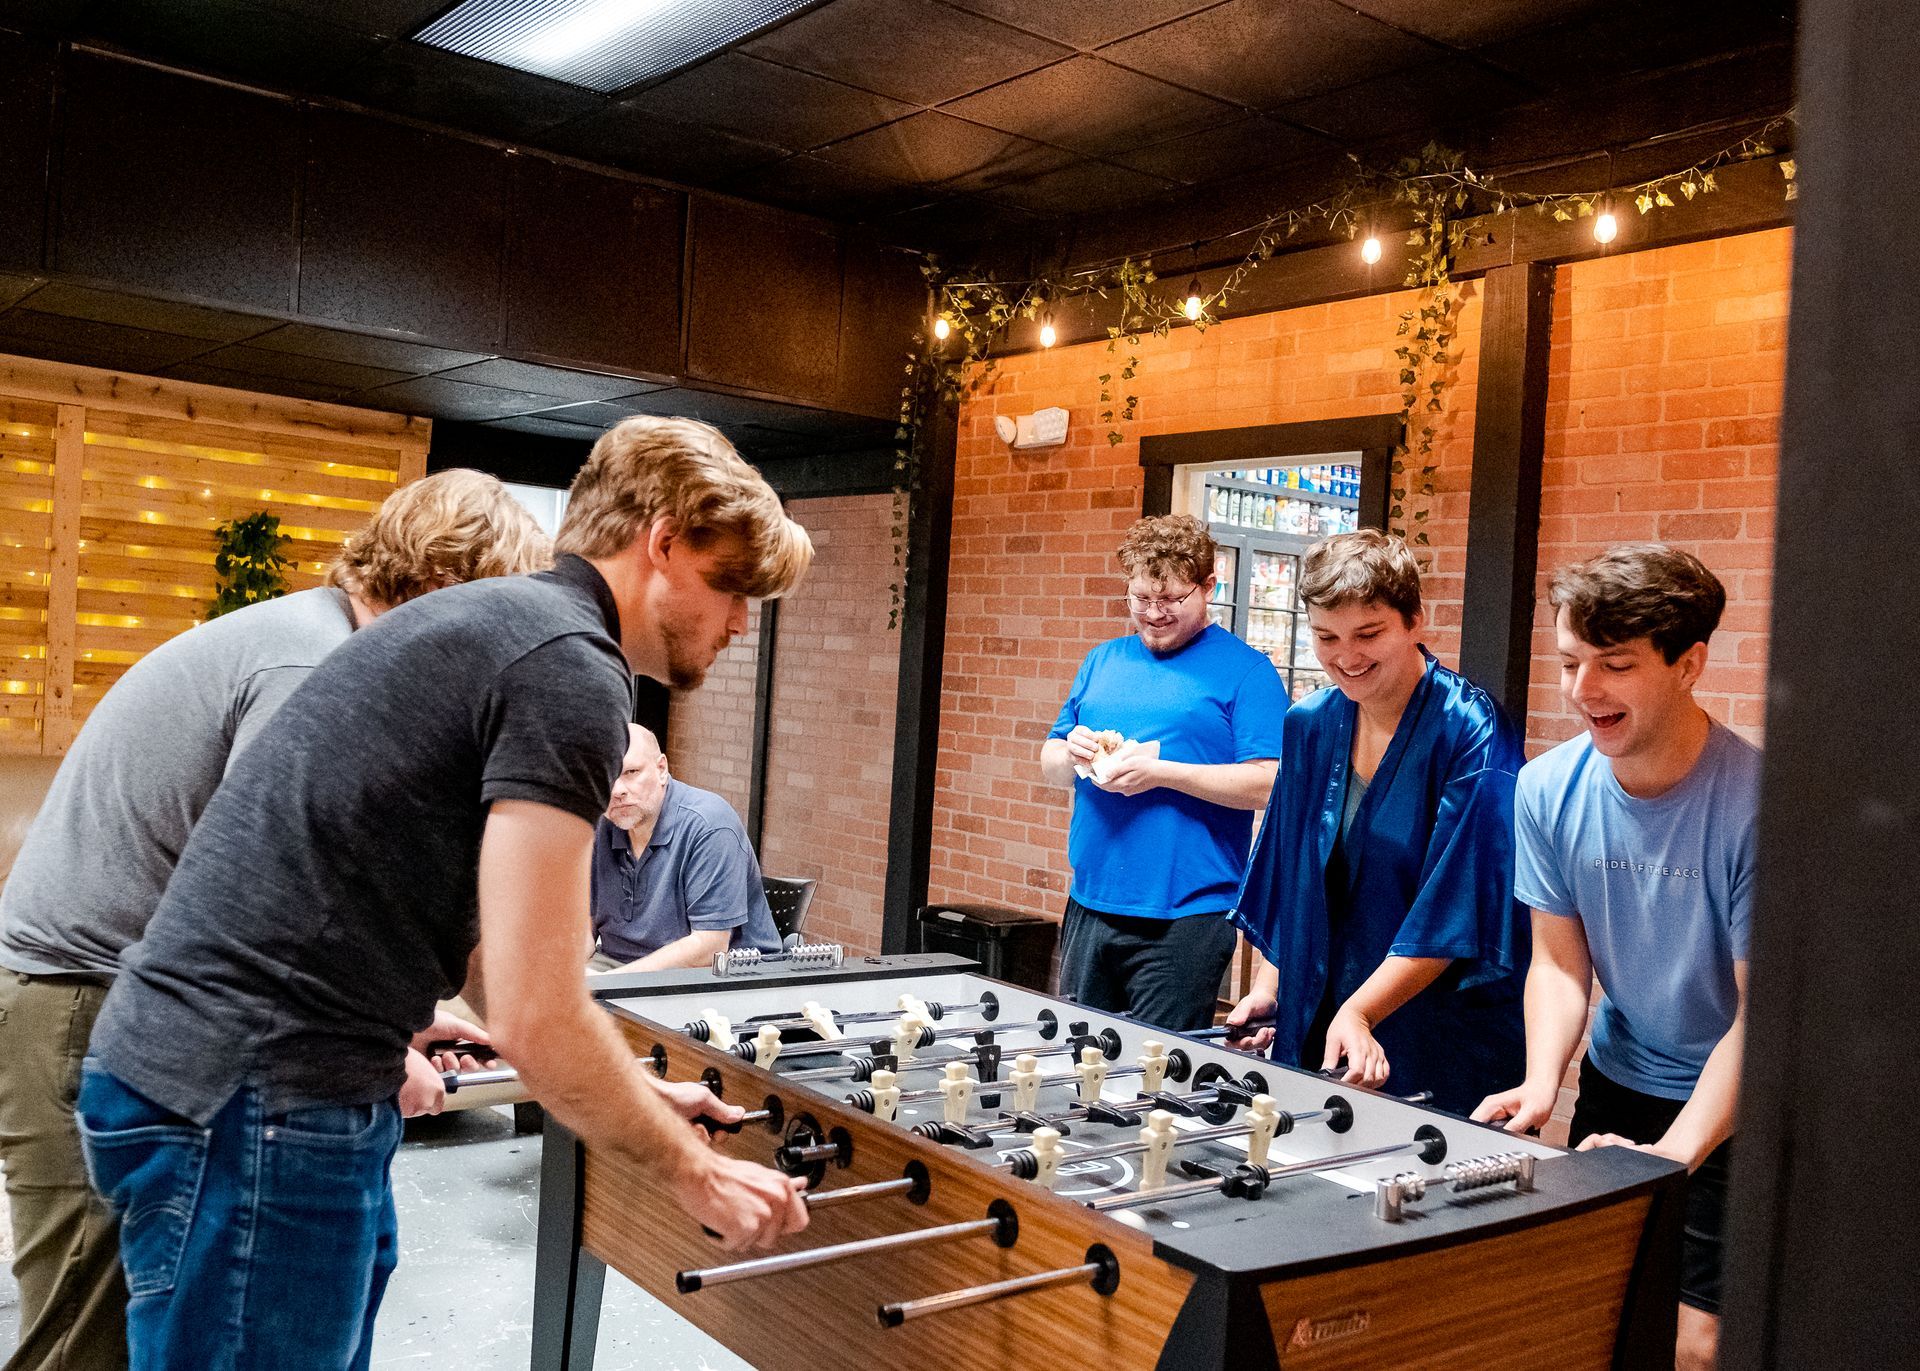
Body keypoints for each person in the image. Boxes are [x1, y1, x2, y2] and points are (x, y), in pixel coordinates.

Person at [75, 416, 816, 1370]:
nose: (741, 622)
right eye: (731, 586)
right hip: (256, 1092)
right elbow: (538, 1009)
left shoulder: (509, 625)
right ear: (662, 542)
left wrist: (632, 1091)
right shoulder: (571, 667)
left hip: (245, 1079)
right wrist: (694, 1173)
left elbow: (490, 958)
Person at [0, 468, 548, 1371]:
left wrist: (400, 1022)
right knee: (87, 1333)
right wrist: (384, 1054)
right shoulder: (316, 667)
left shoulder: (321, 641)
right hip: (84, 1000)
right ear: (442, 584)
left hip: (131, 996)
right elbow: (271, 900)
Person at [1472, 543, 1753, 1371]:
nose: (1582, 689)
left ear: (1689, 664)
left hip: (1732, 1098)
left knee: (1695, 1343)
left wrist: (1674, 1154)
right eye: (1570, 662)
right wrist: (1540, 1081)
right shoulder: (1545, 789)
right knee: (1594, 1311)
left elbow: (1762, 1018)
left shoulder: (1757, 807)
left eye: (1615, 665)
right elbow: (1560, 966)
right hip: (1619, 1078)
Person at [1224, 530, 1527, 1115]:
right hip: (1324, 1015)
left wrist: (1361, 1010)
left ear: (1415, 620)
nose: (1346, 656)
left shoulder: (1472, 728)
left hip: (1437, 1024)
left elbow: (1456, 907)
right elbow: (1293, 882)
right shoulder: (1309, 724)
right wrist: (1269, 990)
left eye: (1368, 634)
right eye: (1326, 637)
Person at [1039, 514, 1285, 1033]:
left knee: (1156, 1069)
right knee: (1076, 1060)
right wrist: (1073, 754)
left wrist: (1163, 773)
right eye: (1141, 598)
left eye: (1171, 599)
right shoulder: (1103, 660)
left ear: (1208, 587)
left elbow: (1270, 783)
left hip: (1186, 916)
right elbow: (1052, 762)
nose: (1153, 614)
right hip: (1090, 901)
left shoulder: (1248, 672)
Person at [586, 723, 780, 973]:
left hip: (714, 975)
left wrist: (612, 983)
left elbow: (709, 947)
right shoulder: (599, 825)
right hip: (616, 967)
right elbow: (583, 930)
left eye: (631, 772)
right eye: (606, 776)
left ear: (661, 769)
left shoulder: (709, 825)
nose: (617, 790)